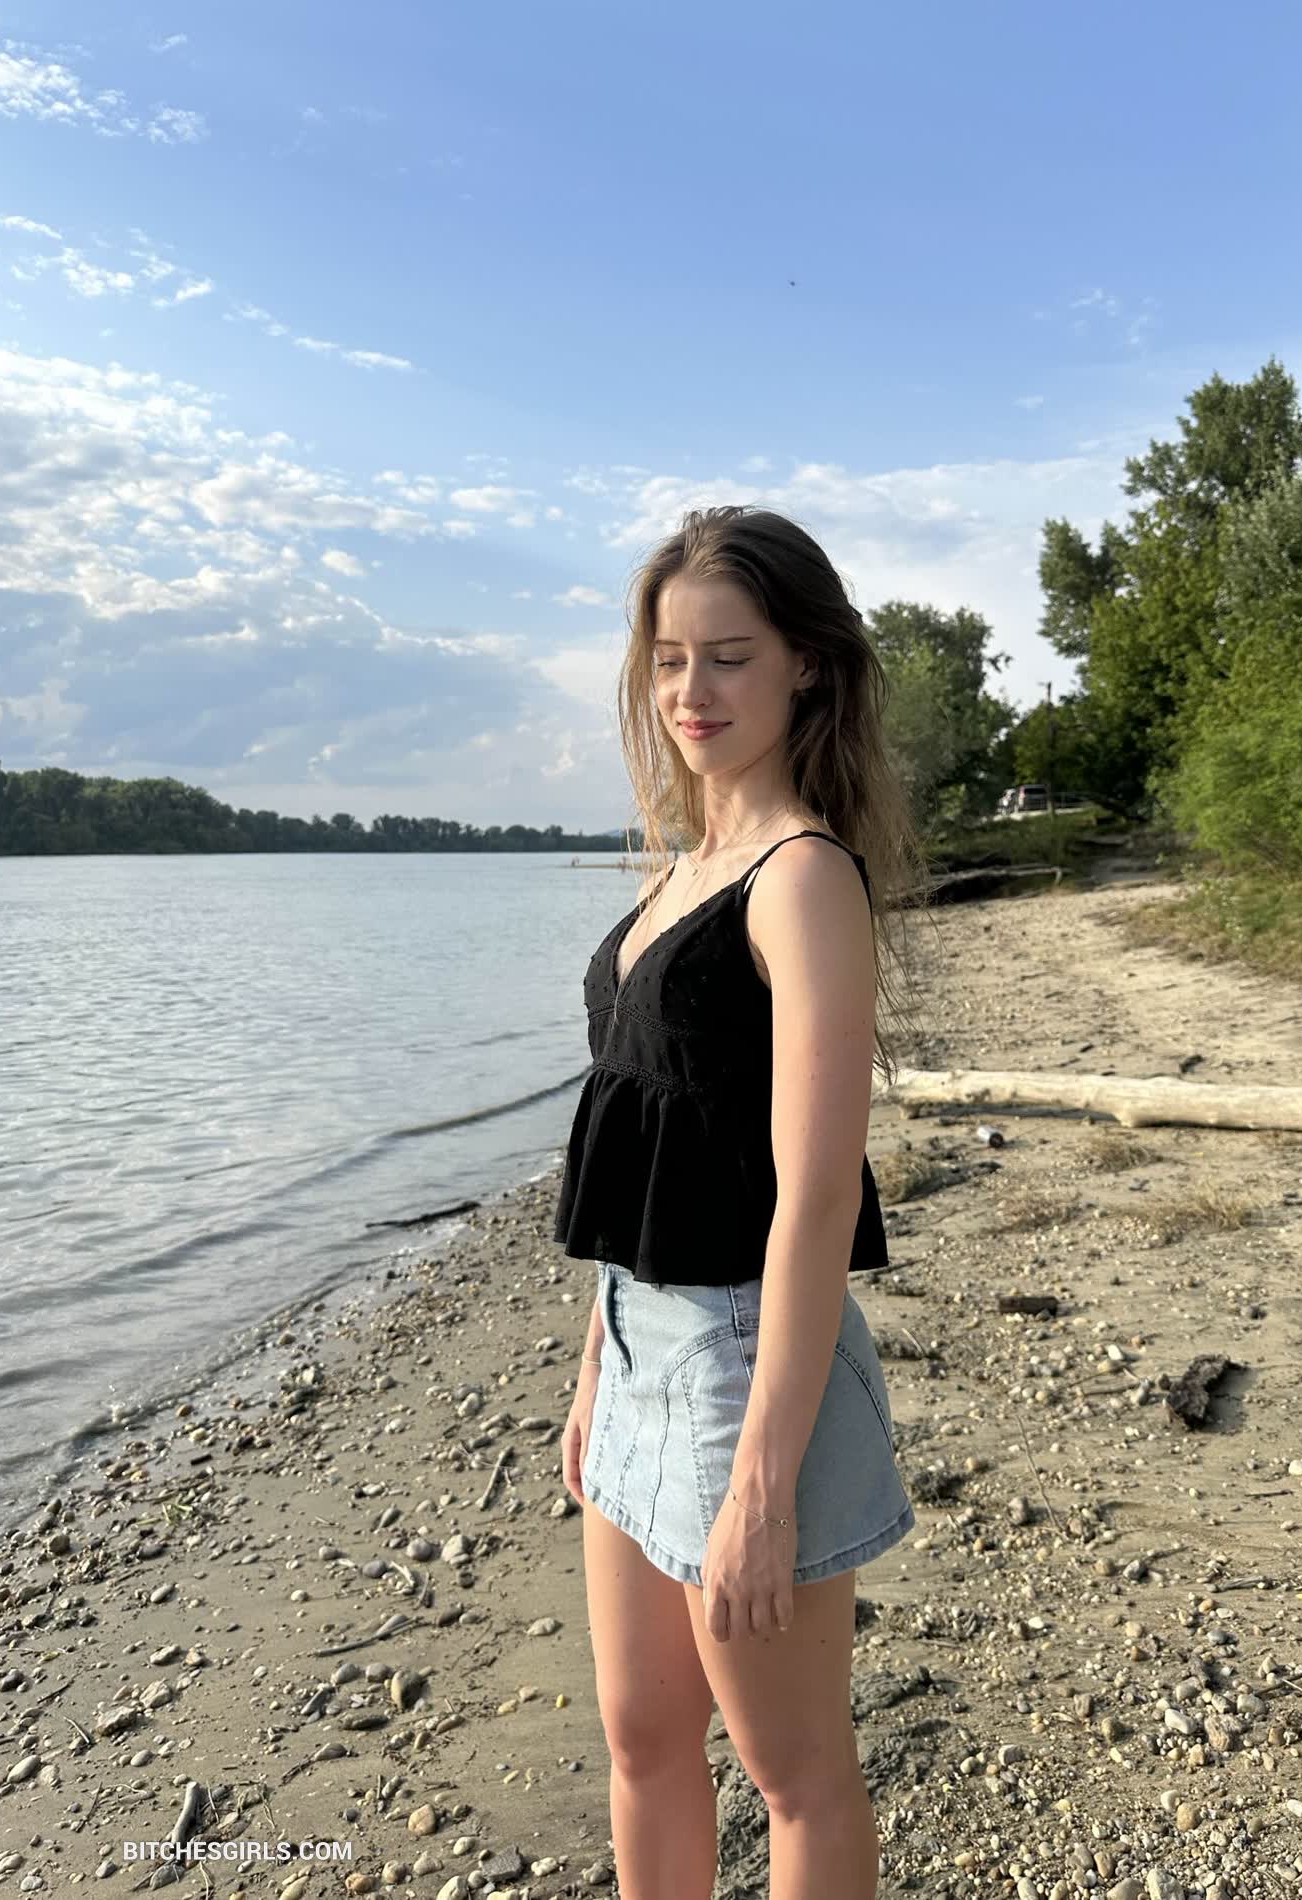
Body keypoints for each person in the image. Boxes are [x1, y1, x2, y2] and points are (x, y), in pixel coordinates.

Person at [555, 504, 928, 1900]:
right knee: (642, 1737)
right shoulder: (679, 870)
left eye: (728, 657)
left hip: (741, 1363)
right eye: (668, 661)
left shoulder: (802, 879)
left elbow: (814, 1200)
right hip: (637, 1344)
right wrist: (596, 1369)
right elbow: (640, 1158)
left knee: (796, 1774)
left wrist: (763, 1483)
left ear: (805, 666)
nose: (691, 692)